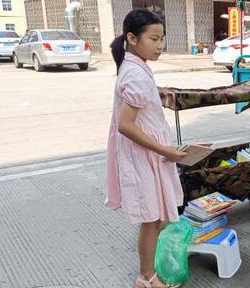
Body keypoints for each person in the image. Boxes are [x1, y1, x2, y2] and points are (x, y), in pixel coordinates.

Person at [105, 9, 186, 288]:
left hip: (151, 152)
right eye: (154, 39)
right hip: (145, 155)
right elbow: (126, 125)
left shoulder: (135, 67)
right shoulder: (135, 74)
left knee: (158, 215)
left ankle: (147, 272)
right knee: (152, 219)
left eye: (162, 38)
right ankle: (146, 277)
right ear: (132, 38)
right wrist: (166, 151)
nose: (160, 46)